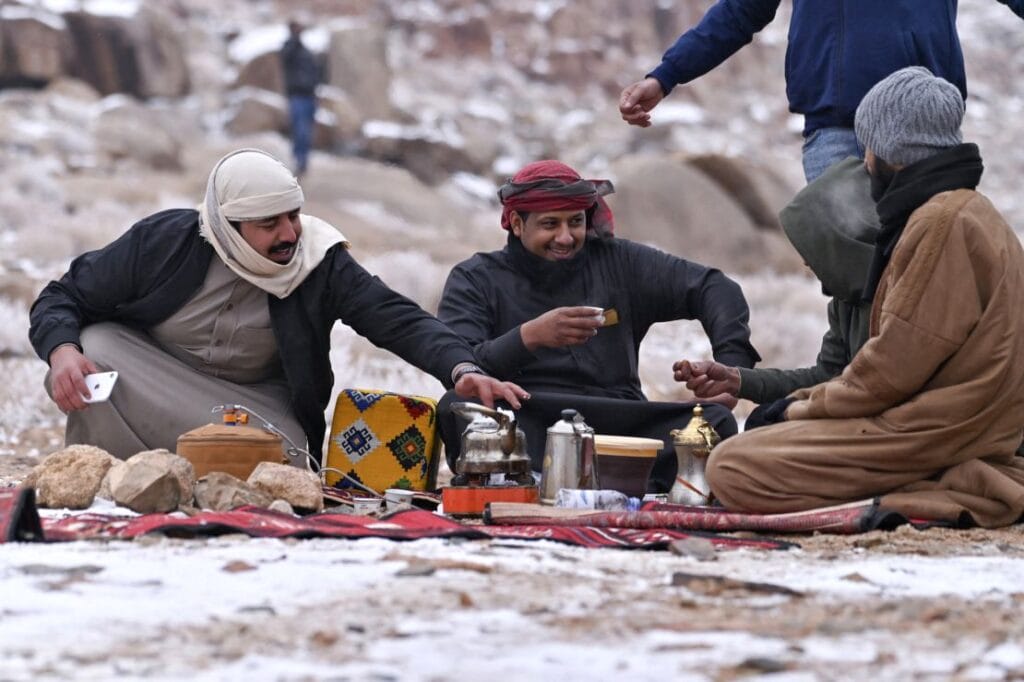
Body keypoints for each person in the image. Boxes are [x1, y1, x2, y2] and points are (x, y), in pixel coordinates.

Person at [29, 148, 528, 465]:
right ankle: (108, 468)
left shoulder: (319, 261)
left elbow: (397, 319)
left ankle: (164, 466)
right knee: (93, 343)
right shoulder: (168, 240)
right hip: (155, 376)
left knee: (287, 464)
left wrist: (460, 367)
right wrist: (63, 352)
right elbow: (62, 296)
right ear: (230, 225)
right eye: (270, 224)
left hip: (252, 405)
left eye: (294, 216)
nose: (290, 234)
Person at [704, 67, 1024, 528]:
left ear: (890, 150)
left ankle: (937, 490)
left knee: (732, 467)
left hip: (935, 433)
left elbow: (891, 372)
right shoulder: (966, 213)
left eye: (869, 144)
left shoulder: (940, 223)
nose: (867, 159)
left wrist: (797, 408)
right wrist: (772, 396)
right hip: (942, 425)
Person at [436, 160, 760, 493]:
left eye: (575, 222)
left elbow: (716, 289)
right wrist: (529, 337)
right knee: (456, 409)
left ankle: (605, 481)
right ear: (517, 224)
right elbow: (460, 364)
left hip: (618, 421)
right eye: (550, 224)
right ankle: (560, 480)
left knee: (713, 421)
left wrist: (732, 370)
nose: (565, 237)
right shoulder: (475, 278)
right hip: (527, 416)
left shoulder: (619, 262)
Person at [619, 0, 1024, 182]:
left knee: (932, 271)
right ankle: (855, 359)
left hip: (923, 131)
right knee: (850, 280)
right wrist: (666, 74)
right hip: (835, 131)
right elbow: (740, 12)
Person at [674, 156, 877, 417]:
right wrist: (737, 380)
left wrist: (800, 411)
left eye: (813, 249)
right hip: (849, 409)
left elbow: (869, 388)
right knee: (763, 418)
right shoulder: (845, 298)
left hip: (877, 422)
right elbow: (826, 374)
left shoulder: (890, 292)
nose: (806, 262)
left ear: (840, 244)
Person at [280, 20, 321, 176]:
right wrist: (294, 38)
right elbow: (286, 57)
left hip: (310, 95)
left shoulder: (305, 50)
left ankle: (303, 159)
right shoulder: (289, 47)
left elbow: (315, 71)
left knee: (307, 130)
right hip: (297, 96)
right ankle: (299, 159)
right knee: (300, 129)